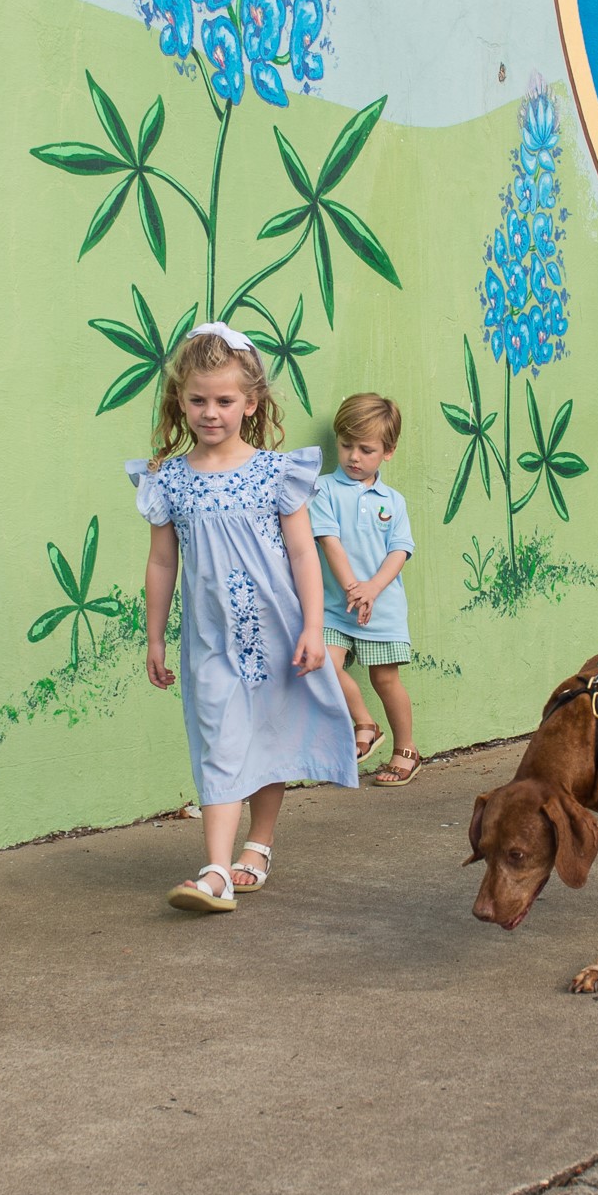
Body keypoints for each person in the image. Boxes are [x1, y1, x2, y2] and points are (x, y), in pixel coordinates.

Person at [134, 321, 360, 912]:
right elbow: (162, 562)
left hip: (277, 632)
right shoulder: (170, 479)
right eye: (198, 400)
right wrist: (155, 637)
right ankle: (215, 869)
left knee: (269, 733)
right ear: (179, 400)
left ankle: (257, 846)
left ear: (251, 402)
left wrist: (314, 627)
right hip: (209, 640)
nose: (211, 413)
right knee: (220, 738)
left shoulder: (275, 474)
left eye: (225, 400)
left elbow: (304, 552)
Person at [312, 390, 419, 781]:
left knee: (385, 678)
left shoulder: (394, 501)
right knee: (321, 663)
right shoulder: (322, 489)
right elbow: (329, 541)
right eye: (346, 445)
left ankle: (406, 749)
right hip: (334, 606)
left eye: (366, 449)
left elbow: (400, 550)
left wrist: (372, 589)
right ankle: (365, 723)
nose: (354, 457)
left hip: (382, 605)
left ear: (387, 452)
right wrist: (353, 589)